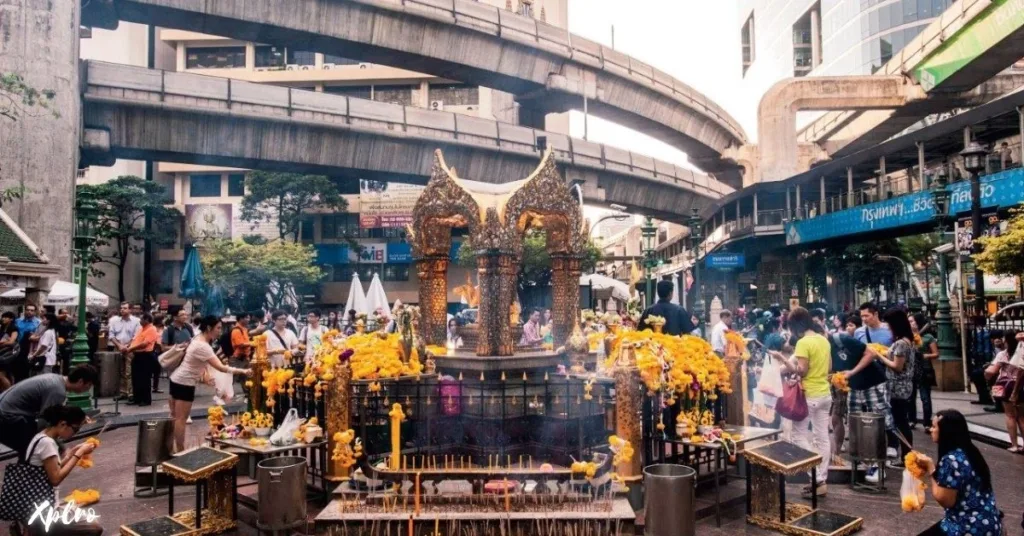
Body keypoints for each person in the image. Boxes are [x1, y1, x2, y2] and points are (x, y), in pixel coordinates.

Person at [2, 405, 102, 536]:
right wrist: (79, 454)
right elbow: (55, 478)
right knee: (94, 527)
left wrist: (72, 453)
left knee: (75, 511)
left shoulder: (41, 437)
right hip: (43, 511)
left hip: (33, 505)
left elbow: (51, 469)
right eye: (75, 429)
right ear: (63, 424)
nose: (76, 433)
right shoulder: (47, 444)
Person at [772, 307, 832, 497]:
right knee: (822, 436)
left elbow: (802, 371)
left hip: (809, 395)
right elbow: (829, 367)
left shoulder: (804, 343)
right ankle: (821, 478)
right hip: (825, 394)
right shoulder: (823, 340)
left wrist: (781, 358)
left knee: (798, 436)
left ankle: (815, 474)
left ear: (796, 326)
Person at [168, 315, 250, 452]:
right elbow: (221, 367)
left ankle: (170, 448)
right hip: (184, 383)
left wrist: (205, 375)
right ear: (208, 328)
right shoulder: (203, 346)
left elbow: (200, 363)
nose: (220, 331)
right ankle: (180, 451)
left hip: (177, 379)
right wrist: (243, 371)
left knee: (175, 417)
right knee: (180, 419)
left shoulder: (197, 339)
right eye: (218, 328)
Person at [918, 409, 1001, 536]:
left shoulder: (951, 460)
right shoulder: (971, 452)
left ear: (946, 432)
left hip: (967, 526)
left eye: (934, 427)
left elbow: (945, 500)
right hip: (990, 521)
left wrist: (930, 469)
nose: (931, 430)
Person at [0, 365, 97, 458]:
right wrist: (60, 448)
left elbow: (55, 413)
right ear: (80, 381)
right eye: (88, 386)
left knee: (32, 449)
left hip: (8, 412)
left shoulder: (56, 379)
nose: (87, 390)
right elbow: (45, 424)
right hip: (7, 417)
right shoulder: (58, 391)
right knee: (35, 447)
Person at [875, 308, 916, 468]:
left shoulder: (900, 343)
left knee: (900, 422)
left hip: (898, 387)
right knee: (901, 421)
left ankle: (906, 456)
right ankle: (906, 455)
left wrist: (879, 356)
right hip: (903, 386)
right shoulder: (907, 340)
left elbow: (897, 366)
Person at [985, 330, 1023, 452]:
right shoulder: (1022, 352)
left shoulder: (1003, 354)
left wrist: (986, 372)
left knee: (1010, 416)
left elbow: (991, 372)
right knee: (1022, 417)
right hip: (1022, 385)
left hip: (1007, 387)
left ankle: (1015, 445)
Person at [107, 302, 140, 401]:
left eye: (125, 308)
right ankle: (122, 392)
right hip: (118, 347)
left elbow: (136, 336)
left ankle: (130, 392)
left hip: (131, 348)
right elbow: (111, 335)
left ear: (130, 310)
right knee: (120, 370)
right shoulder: (114, 321)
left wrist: (127, 346)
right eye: (121, 308)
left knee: (129, 371)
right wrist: (119, 345)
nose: (122, 310)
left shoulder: (136, 321)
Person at [125, 313, 159, 407]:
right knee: (135, 377)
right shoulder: (141, 329)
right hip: (137, 355)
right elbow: (135, 340)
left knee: (144, 379)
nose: (140, 321)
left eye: (141, 319)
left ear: (147, 320)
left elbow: (145, 344)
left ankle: (146, 400)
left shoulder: (152, 329)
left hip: (146, 356)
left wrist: (131, 349)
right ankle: (137, 398)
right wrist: (129, 346)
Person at [912, 313, 939, 430]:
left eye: (912, 321)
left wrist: (926, 355)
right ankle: (911, 420)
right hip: (911, 369)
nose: (909, 323)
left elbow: (936, 353)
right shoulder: (907, 336)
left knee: (925, 397)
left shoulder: (928, 337)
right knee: (910, 397)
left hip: (924, 369)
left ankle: (927, 422)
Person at [13, 305, 41, 383]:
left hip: (30, 348)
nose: (29, 312)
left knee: (27, 369)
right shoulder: (18, 321)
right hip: (17, 347)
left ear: (35, 312)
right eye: (28, 310)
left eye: (32, 310)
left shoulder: (38, 323)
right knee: (16, 369)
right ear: (25, 311)